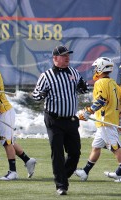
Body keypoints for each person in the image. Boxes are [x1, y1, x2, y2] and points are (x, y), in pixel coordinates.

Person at [32, 45, 89, 195]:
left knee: (75, 153)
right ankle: (61, 185)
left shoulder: (74, 72)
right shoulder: (47, 76)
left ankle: (62, 176)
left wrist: (84, 86)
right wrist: (43, 93)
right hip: (54, 120)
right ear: (55, 58)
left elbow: (84, 88)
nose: (67, 58)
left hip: (71, 120)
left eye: (68, 55)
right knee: (57, 152)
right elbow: (35, 95)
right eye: (64, 56)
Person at [75, 57, 121, 183]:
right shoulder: (114, 83)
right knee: (96, 147)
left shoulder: (100, 82)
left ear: (101, 68)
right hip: (110, 119)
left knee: (115, 148)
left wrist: (88, 111)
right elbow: (120, 103)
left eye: (96, 67)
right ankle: (85, 171)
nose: (95, 70)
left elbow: (102, 99)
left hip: (105, 120)